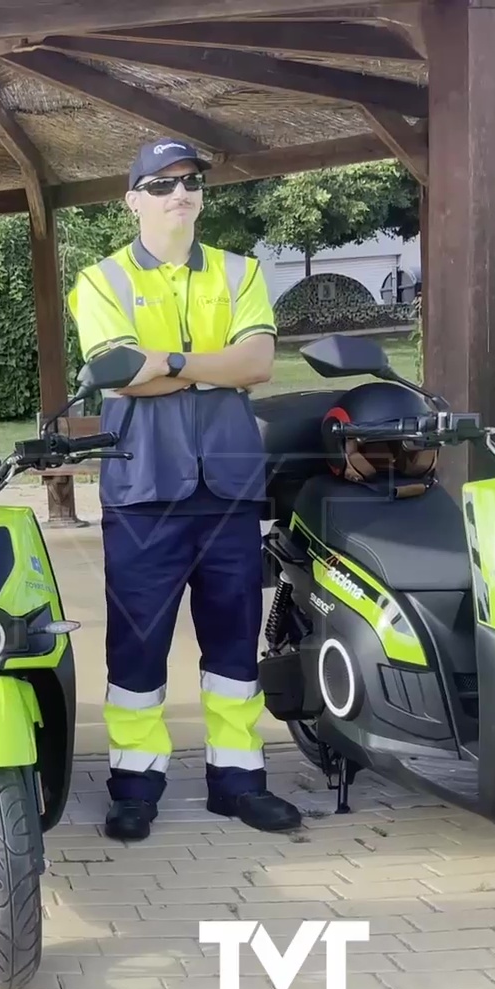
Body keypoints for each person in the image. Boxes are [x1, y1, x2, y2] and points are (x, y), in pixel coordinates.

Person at [68, 139, 303, 841]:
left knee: (233, 647)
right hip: (143, 490)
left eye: (191, 182)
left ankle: (238, 782)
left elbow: (257, 363)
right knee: (137, 649)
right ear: (133, 198)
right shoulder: (101, 279)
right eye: (161, 184)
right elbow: (115, 373)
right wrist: (211, 367)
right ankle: (135, 785)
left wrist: (168, 361)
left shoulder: (240, 271)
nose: (179, 194)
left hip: (228, 488)